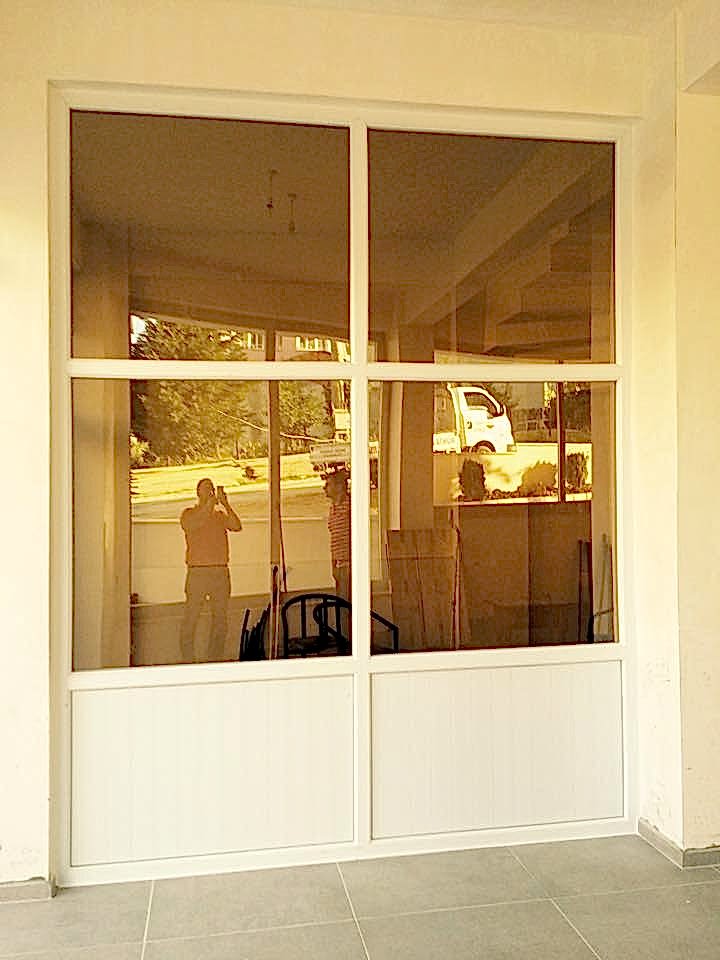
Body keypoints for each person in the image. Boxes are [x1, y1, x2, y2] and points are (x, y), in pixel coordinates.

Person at [179, 478, 242, 663]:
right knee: (191, 617)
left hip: (219, 572)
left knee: (220, 619)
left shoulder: (219, 516)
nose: (210, 492)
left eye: (211, 489)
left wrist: (226, 504)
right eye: (206, 488)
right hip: (197, 572)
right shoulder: (189, 514)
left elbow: (237, 526)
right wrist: (209, 505)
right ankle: (188, 659)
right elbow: (195, 524)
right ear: (198, 492)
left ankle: (215, 658)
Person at [324, 469, 351, 600]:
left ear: (339, 487)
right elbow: (334, 538)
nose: (325, 488)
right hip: (338, 564)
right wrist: (333, 564)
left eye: (328, 484)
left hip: (349, 564)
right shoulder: (332, 508)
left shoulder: (350, 507)